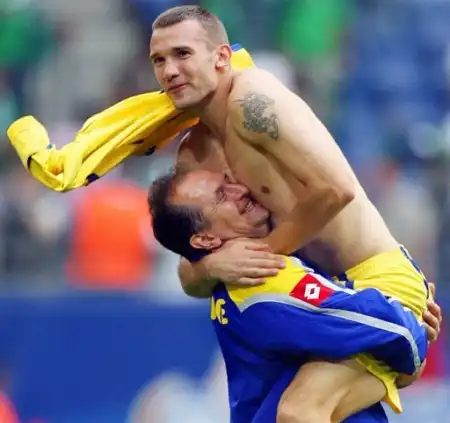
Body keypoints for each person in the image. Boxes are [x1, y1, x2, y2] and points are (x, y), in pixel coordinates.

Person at [149, 5, 441, 422]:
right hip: (310, 300)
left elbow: (334, 191)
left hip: (373, 286)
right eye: (159, 60)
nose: (170, 70)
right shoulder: (194, 155)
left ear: (221, 57)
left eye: (182, 54)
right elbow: (192, 265)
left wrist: (266, 253)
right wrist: (212, 264)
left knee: (300, 412)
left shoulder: (253, 103)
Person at [147, 168, 436, 423]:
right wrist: (412, 318)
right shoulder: (265, 281)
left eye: (229, 181)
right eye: (222, 196)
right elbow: (397, 330)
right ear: (206, 239)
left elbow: (388, 356)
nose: (240, 190)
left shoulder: (234, 276)